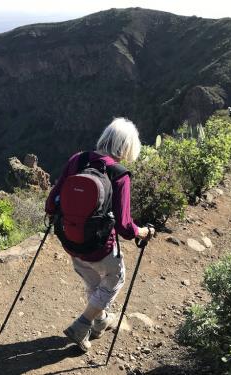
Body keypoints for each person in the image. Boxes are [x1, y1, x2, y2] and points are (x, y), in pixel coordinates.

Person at [45, 117, 154, 352]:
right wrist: (143, 231)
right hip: (100, 246)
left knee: (93, 282)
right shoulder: (120, 175)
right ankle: (82, 324)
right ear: (127, 147)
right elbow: (125, 228)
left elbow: (50, 203)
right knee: (115, 278)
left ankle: (101, 319)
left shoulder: (78, 159)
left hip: (70, 241)